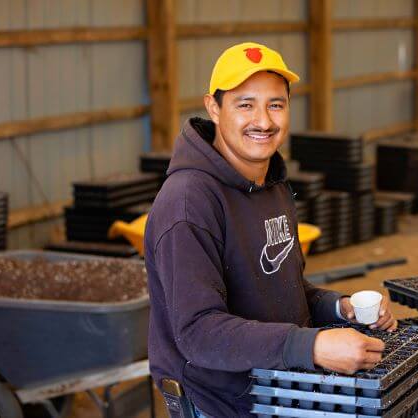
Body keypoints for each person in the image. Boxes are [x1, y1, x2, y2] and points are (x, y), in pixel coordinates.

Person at [144, 42, 397, 418]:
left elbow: (281, 289)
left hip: (273, 388)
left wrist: (339, 308)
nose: (263, 121)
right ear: (214, 108)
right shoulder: (189, 203)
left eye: (275, 104)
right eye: (245, 104)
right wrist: (310, 347)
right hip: (219, 402)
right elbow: (198, 333)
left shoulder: (272, 184)